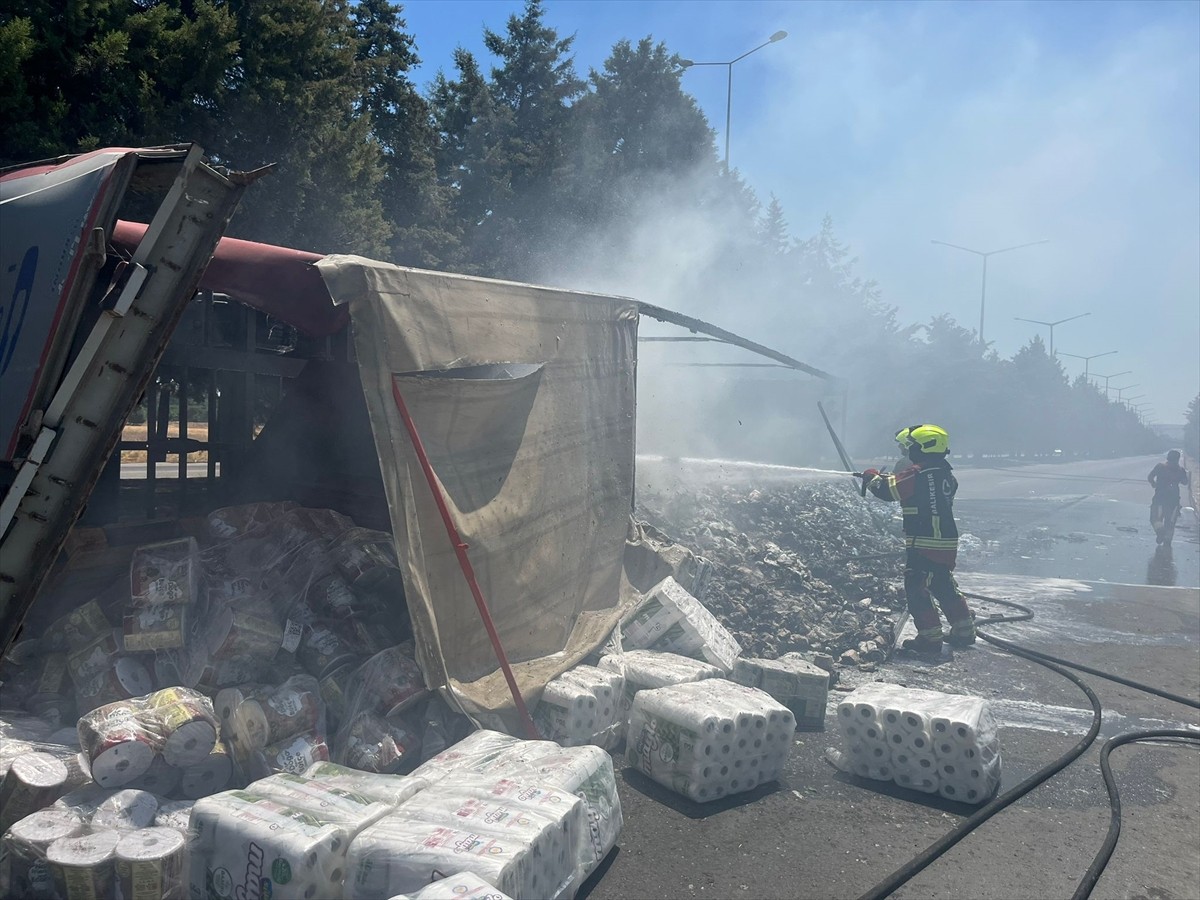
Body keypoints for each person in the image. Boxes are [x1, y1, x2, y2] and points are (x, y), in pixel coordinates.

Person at [860, 424, 976, 654]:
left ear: (923, 447)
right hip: (946, 540)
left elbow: (888, 491)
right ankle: (964, 631)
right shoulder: (945, 475)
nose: (907, 452)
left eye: (910, 447)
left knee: (916, 588)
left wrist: (872, 477)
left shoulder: (917, 473)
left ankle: (930, 639)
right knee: (943, 584)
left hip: (924, 540)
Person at [1148, 449, 1190, 546]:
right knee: (1170, 522)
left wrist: (1154, 484)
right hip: (1173, 499)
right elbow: (1185, 482)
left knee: (1154, 518)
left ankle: (1160, 531)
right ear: (1178, 459)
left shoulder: (1160, 467)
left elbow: (1150, 477)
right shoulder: (1180, 470)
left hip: (1159, 497)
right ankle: (1167, 540)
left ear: (1168, 457)